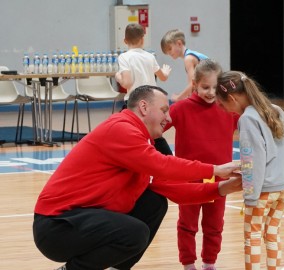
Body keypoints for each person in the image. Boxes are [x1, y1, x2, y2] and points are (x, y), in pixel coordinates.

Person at [33, 85, 243, 270]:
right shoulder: (121, 128)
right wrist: (215, 169)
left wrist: (223, 188)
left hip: (84, 220)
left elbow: (172, 188)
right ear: (143, 107)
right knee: (134, 232)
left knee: (155, 203)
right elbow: (164, 165)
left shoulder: (146, 140)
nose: (168, 118)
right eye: (163, 110)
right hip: (56, 227)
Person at [215, 71, 284, 270]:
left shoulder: (247, 119)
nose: (223, 109)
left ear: (231, 98)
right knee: (272, 234)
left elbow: (251, 160)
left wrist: (250, 194)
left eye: (222, 104)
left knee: (252, 237)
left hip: (263, 190)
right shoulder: (275, 109)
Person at [163, 59, 239, 270]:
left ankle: (209, 264)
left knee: (214, 225)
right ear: (194, 84)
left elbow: (255, 127)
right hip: (189, 180)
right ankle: (188, 264)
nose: (211, 92)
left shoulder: (229, 110)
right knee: (187, 225)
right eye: (206, 87)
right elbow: (155, 128)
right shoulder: (180, 109)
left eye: (216, 87)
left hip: (219, 179)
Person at [115, 23, 173, 155]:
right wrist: (166, 72)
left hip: (134, 103)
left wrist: (118, 77)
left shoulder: (124, 57)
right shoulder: (150, 56)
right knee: (155, 135)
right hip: (152, 101)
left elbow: (127, 83)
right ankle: (170, 160)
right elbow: (163, 77)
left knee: (125, 131)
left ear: (125, 40)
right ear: (142, 39)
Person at [161, 29, 208, 102]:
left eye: (170, 49)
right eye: (167, 52)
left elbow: (192, 85)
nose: (169, 53)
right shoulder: (190, 55)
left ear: (179, 43)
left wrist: (178, 98)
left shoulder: (188, 58)